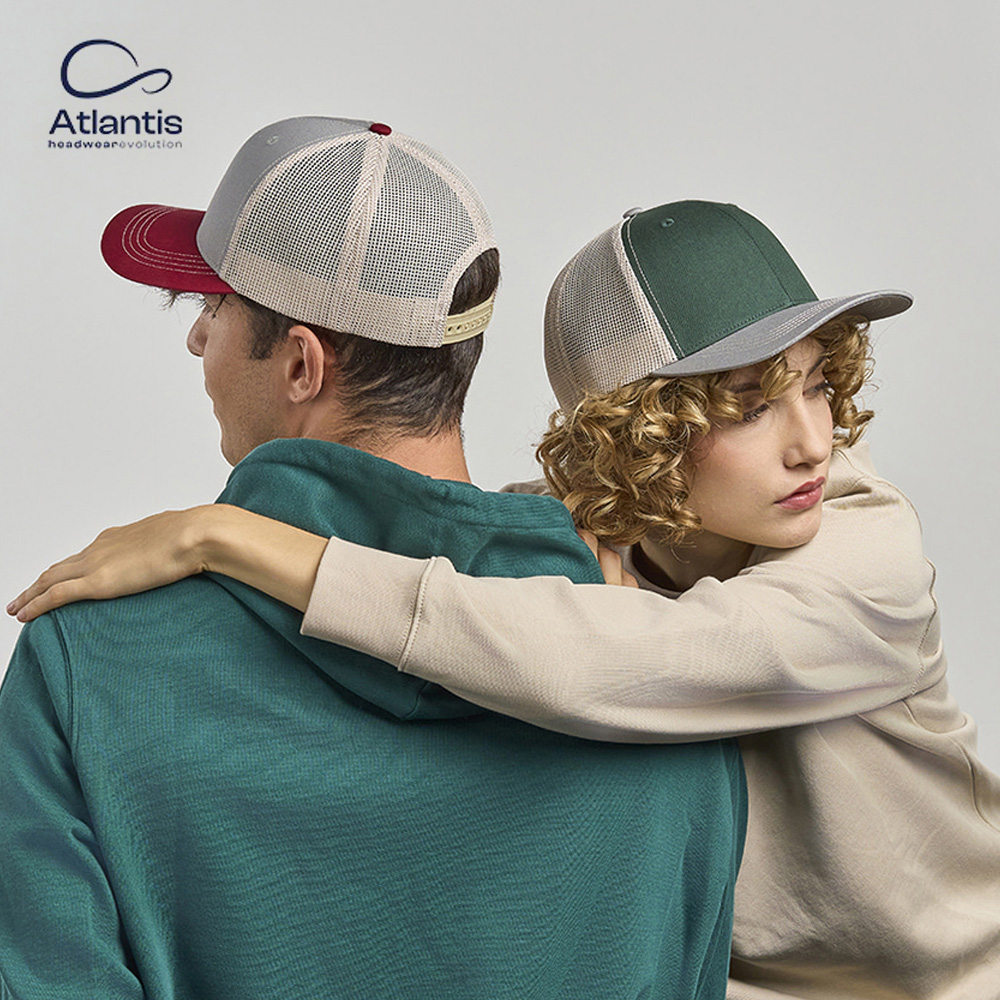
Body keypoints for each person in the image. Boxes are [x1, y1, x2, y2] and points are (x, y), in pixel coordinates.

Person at [14, 197, 1000, 999]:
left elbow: (619, 662)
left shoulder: (865, 547)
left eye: (817, 385)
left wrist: (223, 534)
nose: (814, 443)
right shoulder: (568, 541)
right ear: (639, 438)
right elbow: (469, 548)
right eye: (748, 405)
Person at [0, 127, 748, 999]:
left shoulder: (89, 667)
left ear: (301, 364)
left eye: (216, 309)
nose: (198, 340)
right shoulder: (668, 693)